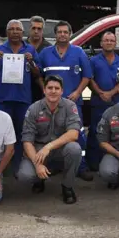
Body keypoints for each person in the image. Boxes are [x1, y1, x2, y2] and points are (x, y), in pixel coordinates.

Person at [38, 21, 92, 180]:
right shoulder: (45, 53)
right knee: (52, 133)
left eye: (65, 32)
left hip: (73, 102)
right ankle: (54, 165)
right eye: (59, 32)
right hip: (51, 104)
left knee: (78, 134)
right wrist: (45, 91)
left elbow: (87, 76)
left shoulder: (79, 52)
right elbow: (38, 75)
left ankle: (81, 167)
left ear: (70, 34)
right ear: (55, 35)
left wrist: (77, 92)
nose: (62, 34)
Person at [17, 75, 83, 204]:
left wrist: (49, 147)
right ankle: (39, 180)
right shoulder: (34, 108)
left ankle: (67, 186)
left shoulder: (70, 106)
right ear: (44, 90)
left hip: (58, 149)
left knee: (75, 149)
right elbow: (27, 140)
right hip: (38, 151)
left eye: (56, 88)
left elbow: (74, 134)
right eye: (50, 88)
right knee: (25, 176)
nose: (53, 91)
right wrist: (37, 164)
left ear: (62, 91)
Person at [0, 19, 41, 169]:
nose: (15, 32)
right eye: (12, 29)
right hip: (4, 99)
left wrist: (31, 63)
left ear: (23, 33)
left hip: (23, 99)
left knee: (21, 133)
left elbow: (37, 74)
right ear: (7, 32)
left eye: (18, 29)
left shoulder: (30, 50)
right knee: (0, 132)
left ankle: (17, 163)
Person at [86, 31, 119, 171]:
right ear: (101, 43)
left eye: (111, 40)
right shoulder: (93, 61)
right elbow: (89, 79)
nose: (109, 42)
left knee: (115, 132)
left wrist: (110, 93)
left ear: (115, 43)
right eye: (106, 40)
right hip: (98, 102)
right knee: (95, 131)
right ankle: (93, 162)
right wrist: (100, 93)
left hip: (115, 102)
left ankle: (114, 161)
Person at [27, 15, 52, 102]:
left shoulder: (49, 48)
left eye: (39, 29)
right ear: (29, 29)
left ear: (43, 30)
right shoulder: (21, 46)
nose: (36, 31)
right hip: (24, 89)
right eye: (34, 28)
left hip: (42, 90)